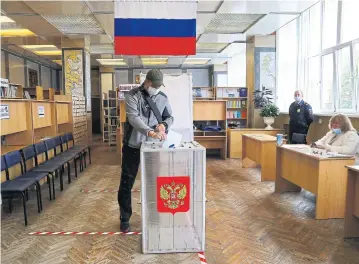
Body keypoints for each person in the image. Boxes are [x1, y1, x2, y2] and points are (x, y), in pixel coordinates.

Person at [118, 69, 174, 232]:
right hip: (133, 146)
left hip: (153, 148)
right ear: (147, 82)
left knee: (154, 183)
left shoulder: (163, 97)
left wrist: (164, 125)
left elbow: (169, 117)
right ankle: (125, 217)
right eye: (155, 85)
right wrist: (150, 132)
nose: (157, 88)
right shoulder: (132, 96)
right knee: (127, 183)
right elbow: (133, 118)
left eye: (159, 86)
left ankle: (154, 215)